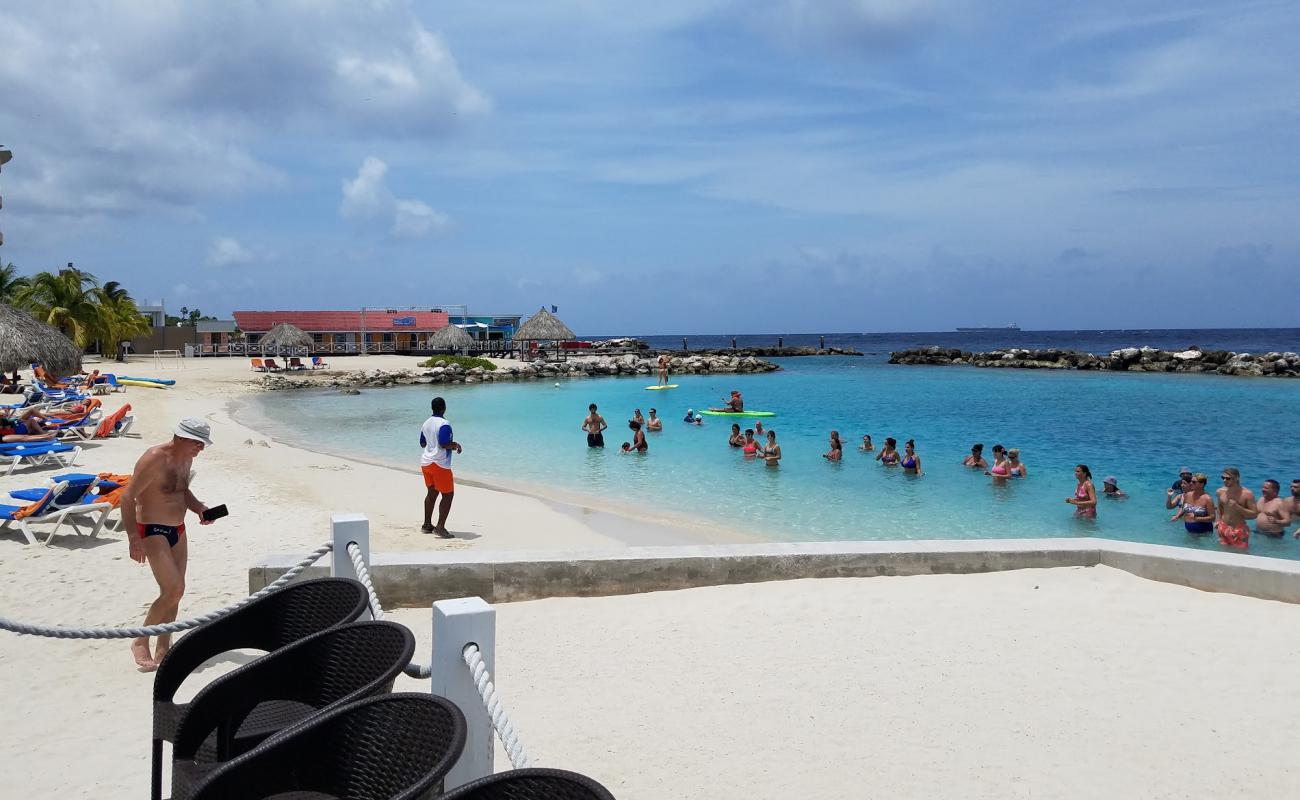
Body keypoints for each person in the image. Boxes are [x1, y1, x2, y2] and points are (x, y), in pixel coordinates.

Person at [121, 418, 218, 670]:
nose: (201, 449)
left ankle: (164, 648)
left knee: (177, 591)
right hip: (152, 530)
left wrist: (199, 509)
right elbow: (127, 497)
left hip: (179, 528)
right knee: (172, 589)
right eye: (198, 443)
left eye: (203, 444)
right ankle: (140, 641)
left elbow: (182, 491)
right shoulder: (154, 457)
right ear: (181, 438)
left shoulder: (187, 458)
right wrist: (133, 538)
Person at [420, 396, 462, 538]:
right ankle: (440, 527)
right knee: (448, 495)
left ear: (432, 408)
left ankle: (426, 525)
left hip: (426, 462)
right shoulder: (444, 423)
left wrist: (433, 443)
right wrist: (455, 445)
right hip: (440, 464)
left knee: (432, 493)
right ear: (444, 408)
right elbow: (444, 443)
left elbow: (422, 443)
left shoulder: (426, 423)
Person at [1215, 466, 1257, 549]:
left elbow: (1254, 514)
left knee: (1241, 555)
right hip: (1223, 527)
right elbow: (1219, 508)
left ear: (1237, 478)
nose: (1224, 480)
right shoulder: (1220, 492)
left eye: (1228, 478)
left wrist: (1238, 507)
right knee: (1222, 553)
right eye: (1223, 478)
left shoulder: (1247, 494)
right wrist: (1217, 521)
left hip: (1239, 529)